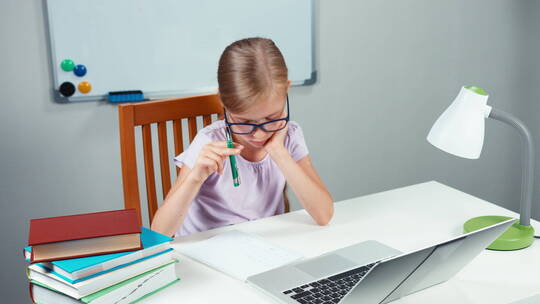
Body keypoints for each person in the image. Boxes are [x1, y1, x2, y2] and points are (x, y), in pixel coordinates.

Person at [151, 37, 333, 237]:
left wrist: (278, 152)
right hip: (207, 252)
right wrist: (195, 177)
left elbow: (323, 215)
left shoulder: (289, 136)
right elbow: (159, 232)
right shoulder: (209, 141)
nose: (259, 134)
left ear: (286, 90)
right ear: (222, 102)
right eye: (245, 122)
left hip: (265, 249)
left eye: (271, 118)